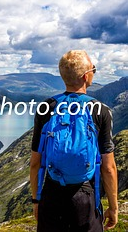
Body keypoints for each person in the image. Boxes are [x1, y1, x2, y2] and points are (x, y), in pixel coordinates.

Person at [30, 50, 118, 232]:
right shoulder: (100, 111)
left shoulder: (46, 107)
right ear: (86, 76)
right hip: (85, 197)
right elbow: (108, 167)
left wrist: (36, 200)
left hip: (52, 194)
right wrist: (113, 207)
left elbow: (35, 163)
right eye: (94, 69)